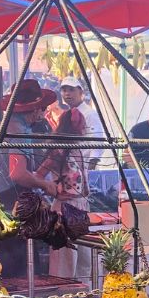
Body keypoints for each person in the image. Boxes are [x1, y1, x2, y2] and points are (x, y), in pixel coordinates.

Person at [0, 79, 58, 277]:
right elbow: (18, 173)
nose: (43, 112)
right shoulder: (18, 131)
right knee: (18, 267)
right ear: (35, 110)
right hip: (9, 201)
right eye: (42, 108)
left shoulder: (6, 126)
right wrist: (45, 184)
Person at [37, 109, 92, 283]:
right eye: (82, 125)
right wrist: (52, 189)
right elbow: (38, 175)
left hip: (82, 207)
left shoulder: (82, 149)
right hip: (64, 210)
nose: (85, 129)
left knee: (86, 260)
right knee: (65, 263)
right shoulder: (58, 151)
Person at [54, 76, 104, 165]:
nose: (67, 93)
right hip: (70, 166)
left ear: (80, 92)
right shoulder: (66, 115)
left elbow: (97, 140)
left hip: (84, 165)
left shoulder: (89, 114)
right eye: (64, 90)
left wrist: (92, 163)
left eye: (71, 90)